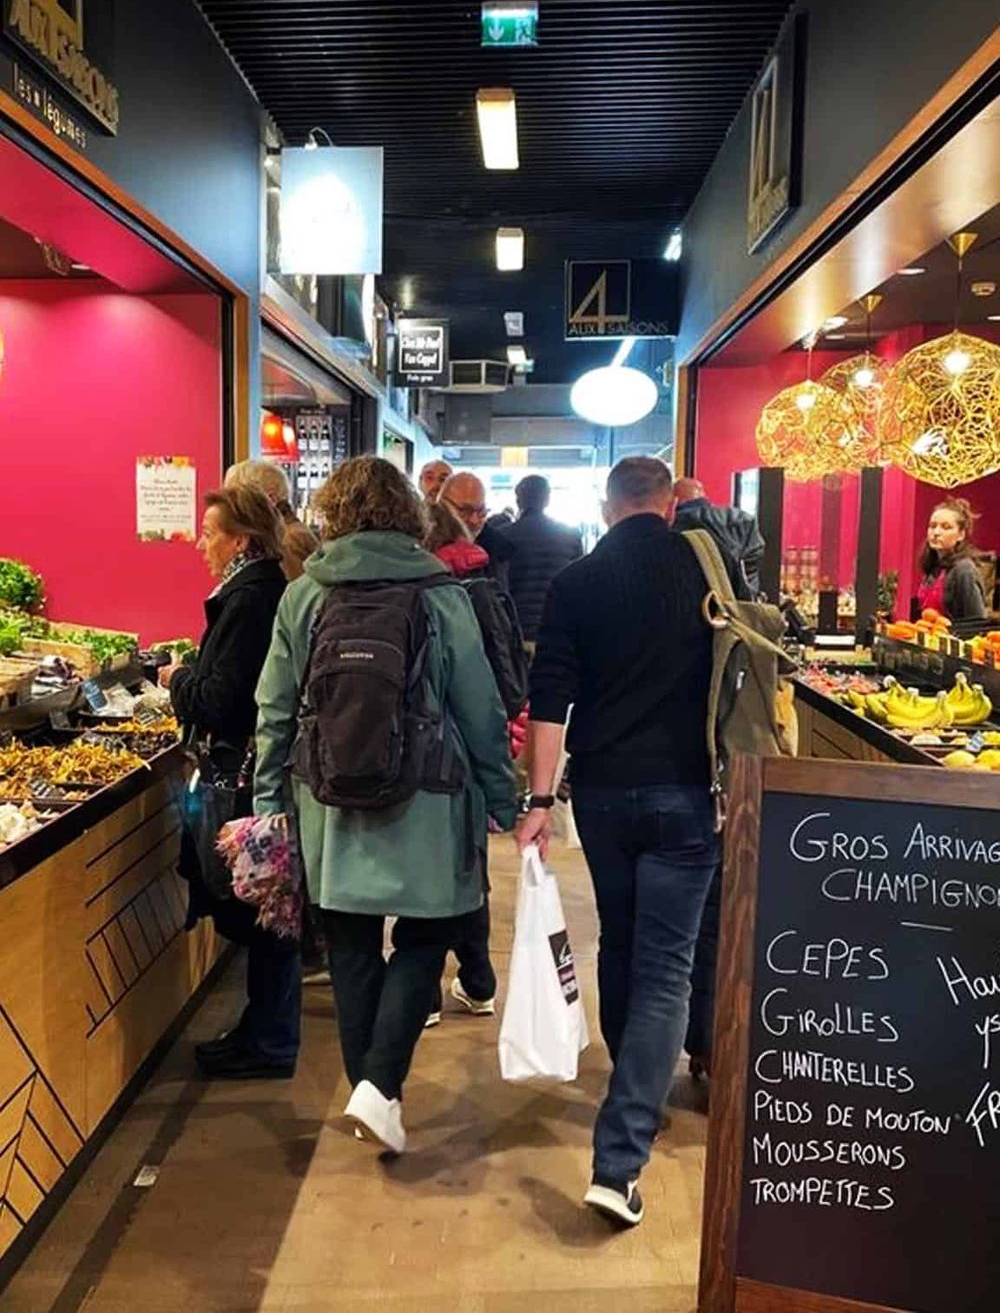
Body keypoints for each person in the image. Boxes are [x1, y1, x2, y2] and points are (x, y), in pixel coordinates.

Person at [254, 457, 517, 1155]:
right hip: (429, 799)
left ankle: (374, 1090)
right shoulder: (439, 591)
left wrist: (268, 805)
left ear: (331, 514)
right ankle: (379, 1084)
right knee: (432, 931)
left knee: (349, 947)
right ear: (411, 513)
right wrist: (506, 795)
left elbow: (274, 711)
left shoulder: (302, 596)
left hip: (328, 802)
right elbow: (480, 709)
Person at [518, 456, 720, 1228]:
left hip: (602, 794)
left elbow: (550, 701)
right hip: (685, 793)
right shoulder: (707, 575)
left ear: (607, 508)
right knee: (668, 968)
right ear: (669, 504)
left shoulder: (577, 583)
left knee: (621, 939)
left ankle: (633, 1089)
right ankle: (620, 1155)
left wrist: (540, 799)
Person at [160, 485, 301, 1079]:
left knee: (260, 910)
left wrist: (177, 678)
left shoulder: (248, 600)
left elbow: (223, 700)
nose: (201, 543)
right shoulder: (267, 588)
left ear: (239, 539)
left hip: (244, 777)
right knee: (267, 909)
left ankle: (270, 1041)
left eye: (210, 532)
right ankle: (263, 1029)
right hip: (261, 772)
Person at [420, 502, 503, 1027]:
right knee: (468, 872)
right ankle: (479, 982)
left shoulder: (426, 592)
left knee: (424, 877)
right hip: (469, 752)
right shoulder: (484, 579)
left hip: (424, 755)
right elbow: (486, 690)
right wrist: (501, 784)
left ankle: (424, 995)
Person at [501, 475, 583, 644]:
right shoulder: (571, 536)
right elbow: (580, 583)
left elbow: (500, 588)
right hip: (558, 630)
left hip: (517, 632)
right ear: (547, 499)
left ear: (518, 501)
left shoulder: (503, 537)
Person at [671, 476, 765, 600]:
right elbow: (754, 559)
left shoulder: (673, 524)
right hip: (738, 606)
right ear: (703, 495)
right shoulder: (742, 519)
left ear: (675, 500)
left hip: (694, 604)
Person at [225, 458, 319, 581]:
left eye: (240, 502)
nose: (233, 512)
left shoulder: (285, 541)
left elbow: (288, 597)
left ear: (270, 499)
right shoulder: (290, 534)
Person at [917, 498, 987, 621]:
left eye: (946, 527)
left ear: (961, 535)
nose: (936, 532)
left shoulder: (965, 570)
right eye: (932, 526)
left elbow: (977, 622)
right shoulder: (932, 565)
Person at [440, 471, 513, 582]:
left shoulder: (498, 551)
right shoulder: (419, 548)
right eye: (465, 510)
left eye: (481, 511)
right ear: (441, 505)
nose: (474, 520)